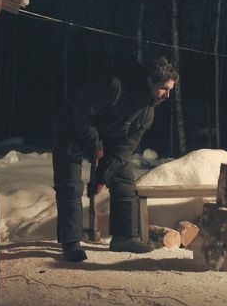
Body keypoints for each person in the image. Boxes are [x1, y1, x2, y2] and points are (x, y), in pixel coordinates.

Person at [52, 57, 178, 262]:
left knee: (125, 182)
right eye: (164, 88)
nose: (168, 95)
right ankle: (71, 242)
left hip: (109, 139)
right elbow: (81, 114)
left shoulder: (147, 113)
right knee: (70, 186)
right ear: (149, 81)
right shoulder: (114, 86)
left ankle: (124, 237)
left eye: (171, 89)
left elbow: (123, 150)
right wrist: (96, 147)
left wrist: (103, 177)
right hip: (72, 130)